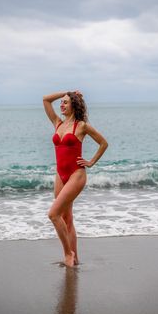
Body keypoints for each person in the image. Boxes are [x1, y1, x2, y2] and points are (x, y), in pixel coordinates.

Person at [43, 90, 108, 267]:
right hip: (60, 175)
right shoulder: (57, 123)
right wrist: (67, 92)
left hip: (76, 175)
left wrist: (91, 161)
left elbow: (103, 143)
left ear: (74, 105)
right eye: (61, 102)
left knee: (53, 214)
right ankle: (75, 258)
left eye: (65, 102)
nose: (61, 105)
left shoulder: (81, 126)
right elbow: (46, 100)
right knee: (66, 218)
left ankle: (68, 254)